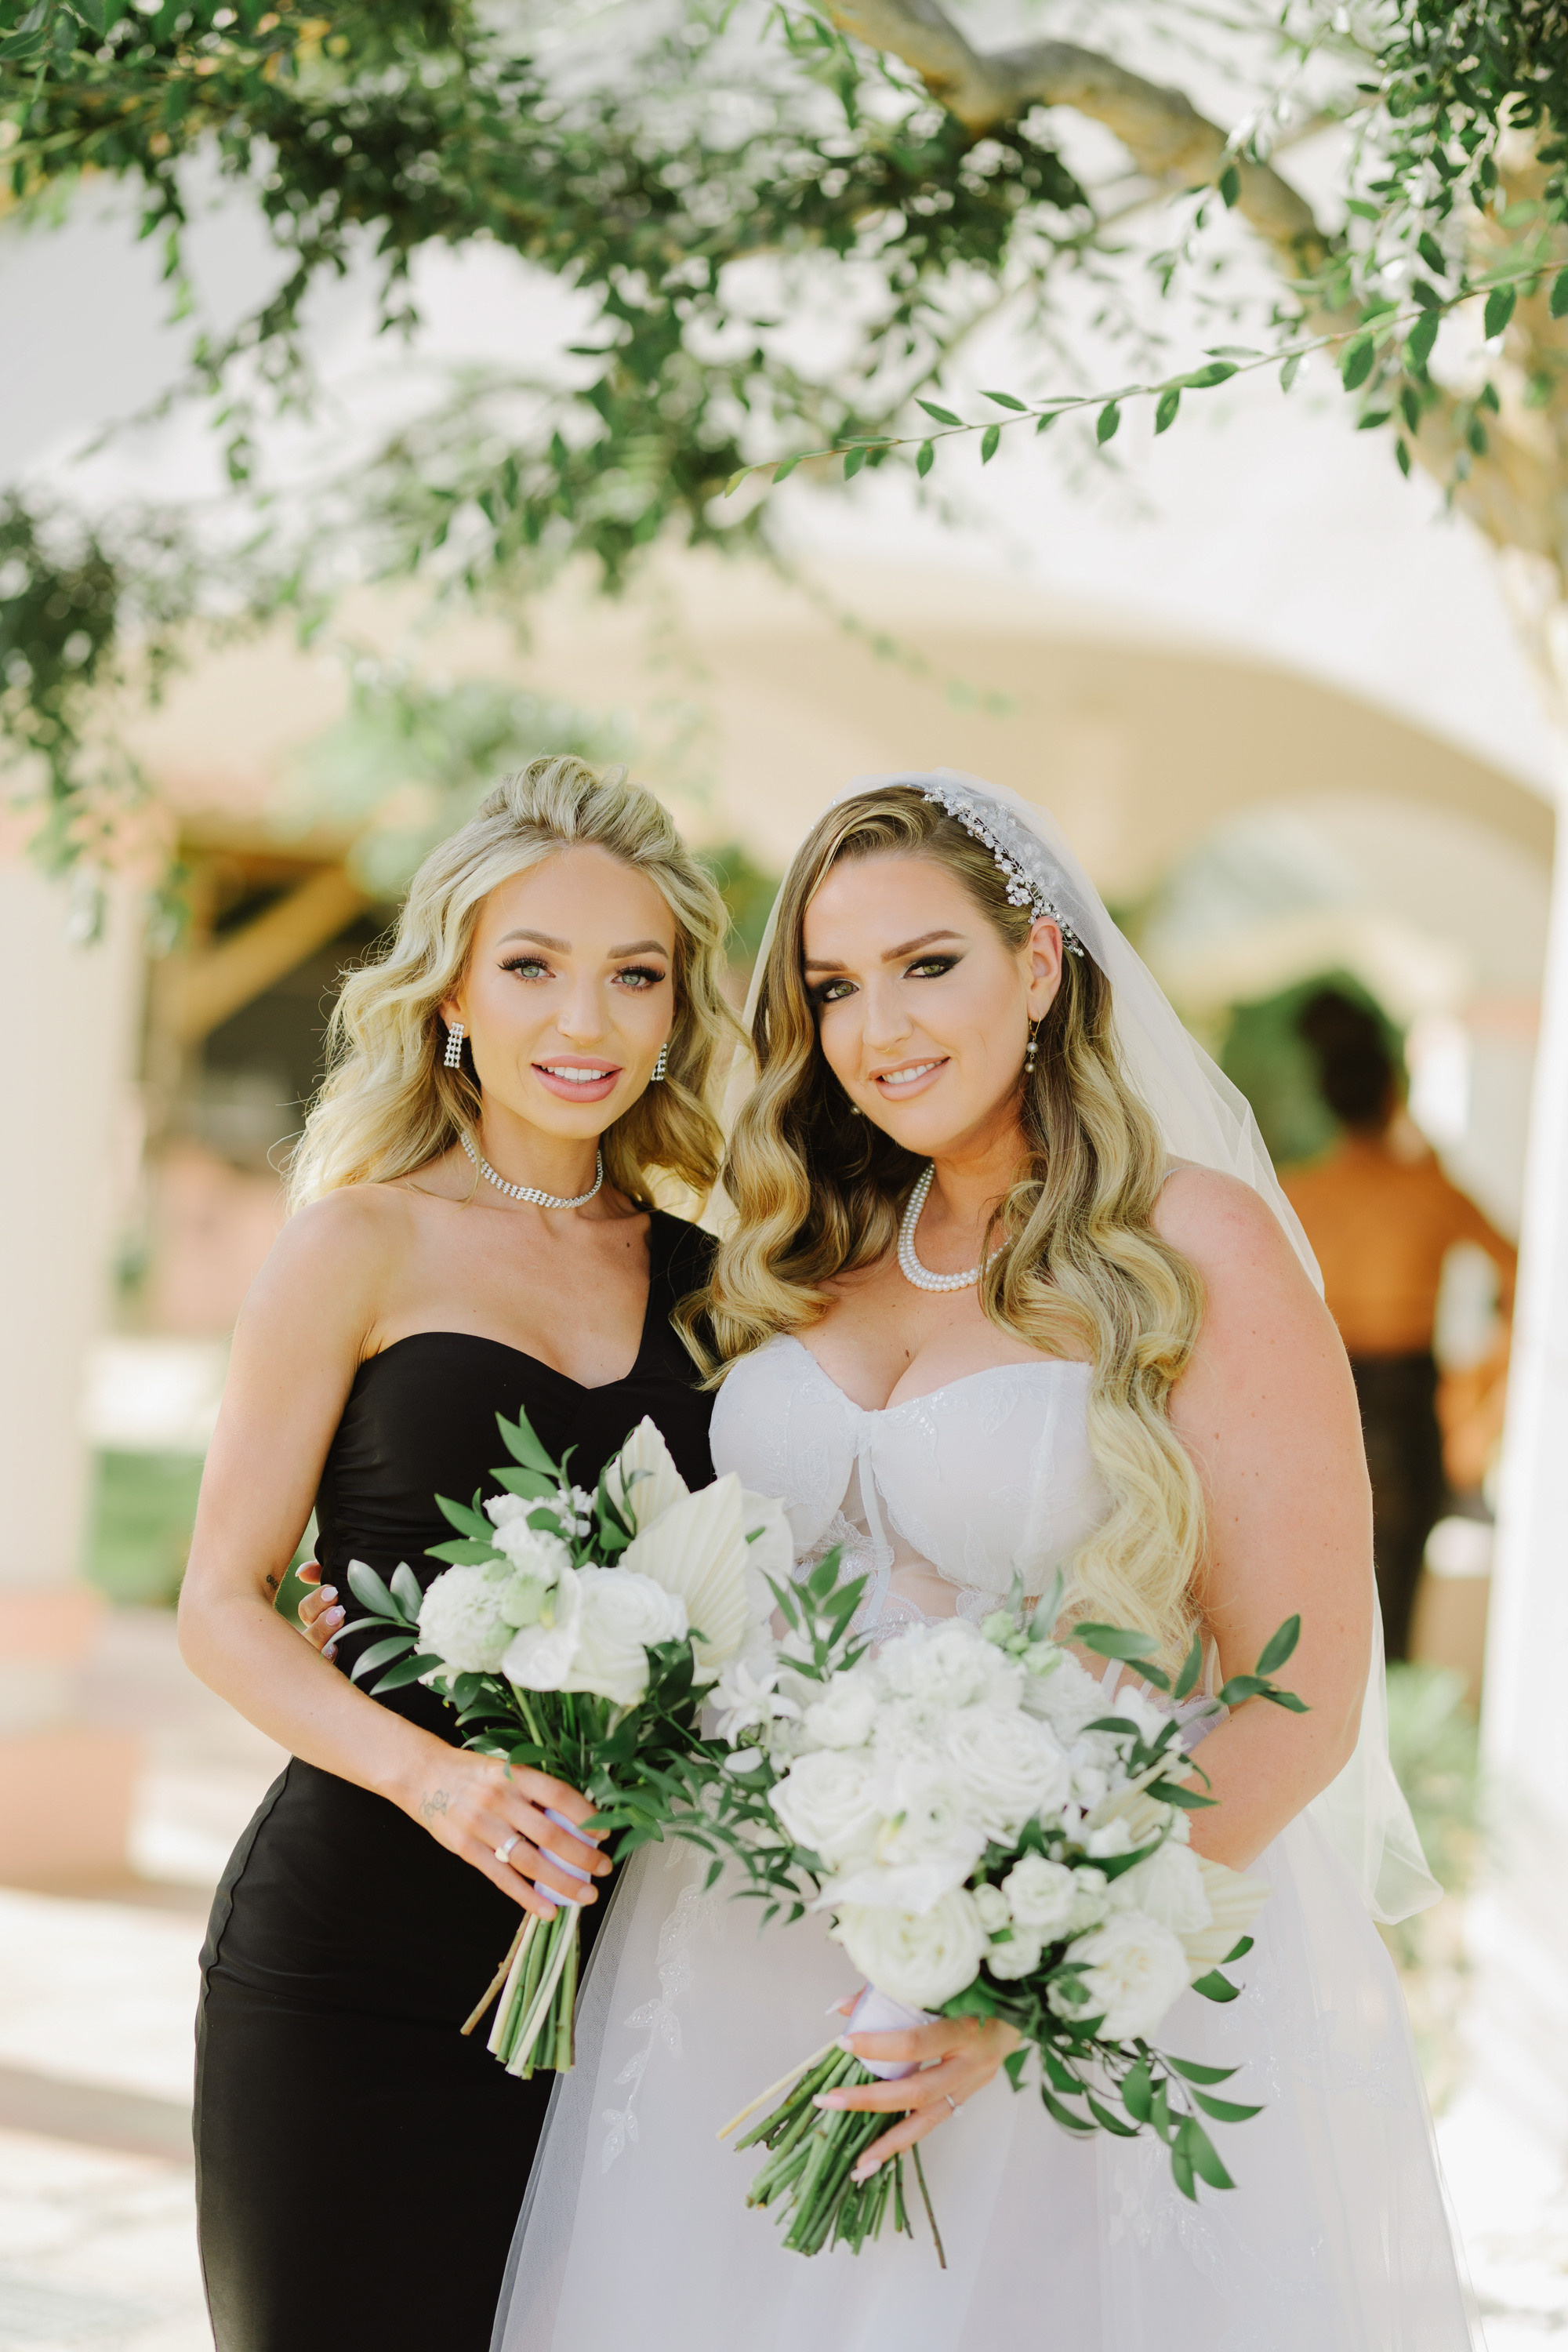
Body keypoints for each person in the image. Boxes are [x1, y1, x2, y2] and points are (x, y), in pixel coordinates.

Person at [494, 773, 1470, 2352]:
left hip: (1038, 1968)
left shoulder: (1192, 1240)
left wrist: (1022, 1986)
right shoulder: (805, 1238)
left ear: (1038, 964)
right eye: (832, 987)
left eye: (925, 965)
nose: (877, 1028)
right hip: (738, 1945)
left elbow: (1302, 1699)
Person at [178, 757, 739, 2352]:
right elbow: (223, 1605)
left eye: (636, 976)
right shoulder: (354, 1242)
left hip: (618, 1988)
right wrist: (440, 1781)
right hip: (346, 1957)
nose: (588, 1022)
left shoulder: (720, 1285)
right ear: (449, 996)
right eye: (534, 966)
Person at [1283, 989, 1516, 1660]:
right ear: (1394, 1095)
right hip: (1405, 1389)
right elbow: (1523, 1272)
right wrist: (1481, 1388)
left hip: (1319, 1384)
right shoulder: (1429, 1188)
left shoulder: (1301, 1191)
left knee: (1313, 1575)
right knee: (1397, 1589)